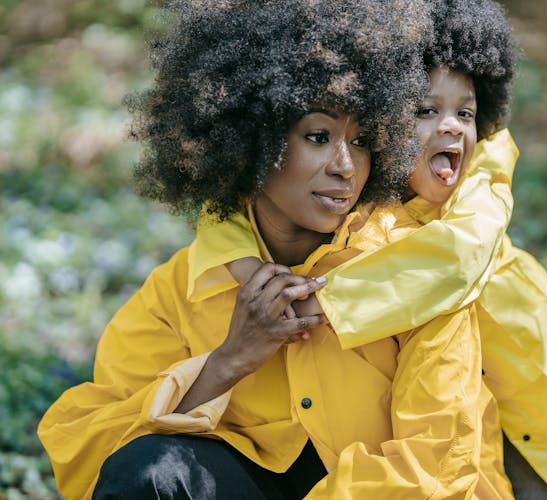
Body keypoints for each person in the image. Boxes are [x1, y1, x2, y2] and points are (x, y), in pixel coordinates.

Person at [39, 1, 521, 498]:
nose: (345, 167)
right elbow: (95, 451)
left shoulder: (417, 276)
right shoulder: (182, 290)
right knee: (151, 468)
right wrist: (229, 361)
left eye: (361, 141)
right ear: (250, 140)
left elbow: (434, 467)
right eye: (318, 135)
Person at [206, 0, 547, 497]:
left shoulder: (481, 182)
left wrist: (320, 301)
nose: (452, 126)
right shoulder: (365, 195)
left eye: (466, 112)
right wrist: (246, 267)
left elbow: (455, 261)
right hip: (468, 401)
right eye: (425, 110)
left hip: (531, 388)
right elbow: (224, 213)